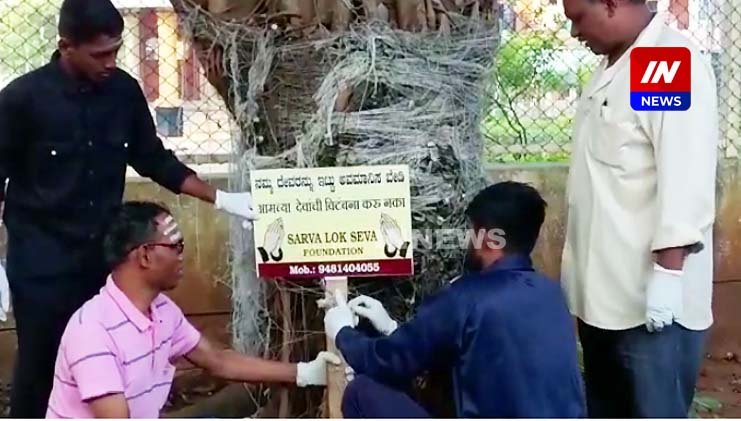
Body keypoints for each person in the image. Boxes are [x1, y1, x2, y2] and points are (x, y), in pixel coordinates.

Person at [0, 0, 261, 417]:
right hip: (42, 262)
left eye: (116, 50)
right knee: (40, 366)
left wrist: (222, 199)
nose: (111, 62)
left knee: (108, 366)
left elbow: (152, 158)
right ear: (66, 46)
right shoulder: (21, 100)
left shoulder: (122, 92)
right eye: (100, 54)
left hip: (103, 260)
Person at [559, 0, 718, 417]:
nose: (575, 32)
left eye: (578, 18)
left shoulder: (661, 61)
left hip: (649, 303)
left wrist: (668, 274)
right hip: (603, 299)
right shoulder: (615, 65)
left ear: (611, 4)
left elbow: (684, 175)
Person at [45, 201, 339, 418]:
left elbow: (218, 360)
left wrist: (302, 373)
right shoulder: (92, 332)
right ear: (145, 255)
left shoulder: (161, 310)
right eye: (177, 246)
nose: (182, 257)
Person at [323, 181, 586, 418]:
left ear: (490, 238)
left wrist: (343, 332)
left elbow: (389, 362)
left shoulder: (466, 297)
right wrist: (392, 329)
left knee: (362, 392)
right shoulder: (551, 294)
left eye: (472, 231)